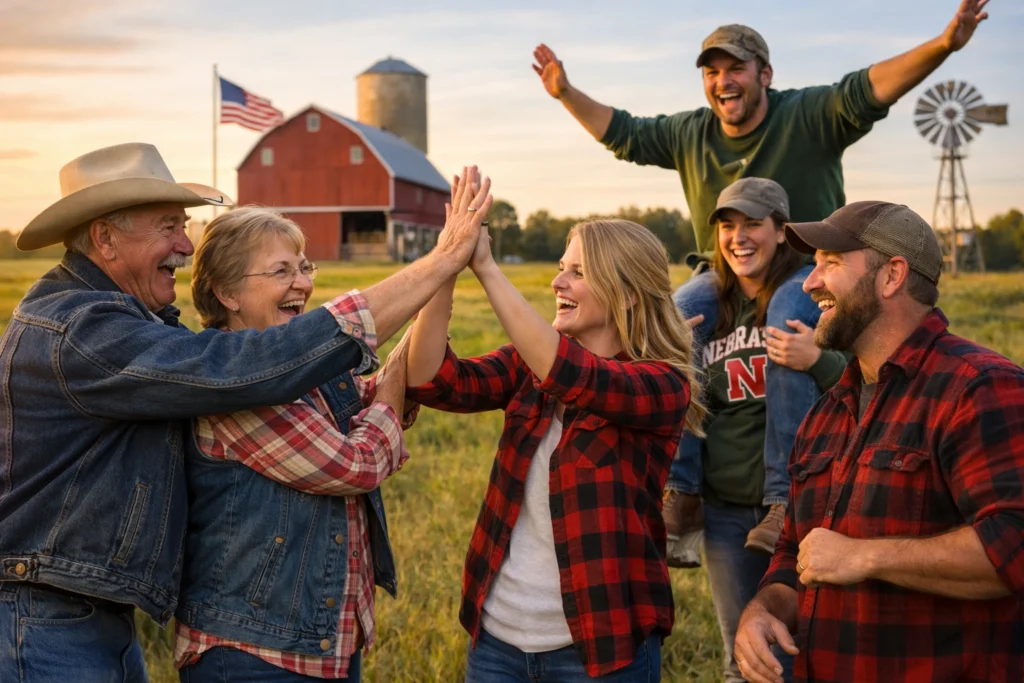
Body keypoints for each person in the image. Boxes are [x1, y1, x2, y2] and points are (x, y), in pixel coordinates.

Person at [0, 143, 486, 682]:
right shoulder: (83, 330)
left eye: (183, 226)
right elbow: (244, 371)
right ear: (105, 237)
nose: (185, 244)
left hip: (82, 608)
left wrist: (421, 320)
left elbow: (350, 392)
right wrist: (439, 261)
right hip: (45, 613)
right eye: (168, 226)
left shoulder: (130, 322)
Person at [531, 0, 990, 554]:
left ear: (764, 75)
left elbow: (870, 89)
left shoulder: (807, 115)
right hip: (720, 274)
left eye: (736, 68)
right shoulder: (691, 133)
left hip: (804, 267)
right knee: (674, 315)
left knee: (783, 317)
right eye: (711, 71)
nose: (723, 81)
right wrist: (564, 92)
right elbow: (625, 134)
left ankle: (782, 498)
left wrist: (945, 43)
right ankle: (681, 489)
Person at [405, 169, 705, 680]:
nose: (557, 282)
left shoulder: (661, 385)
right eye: (563, 267)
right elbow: (432, 379)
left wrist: (489, 268)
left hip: (600, 648)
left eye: (578, 273)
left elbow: (573, 375)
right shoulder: (529, 364)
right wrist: (446, 266)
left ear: (628, 294)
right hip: (497, 641)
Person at [733, 201, 1024, 683]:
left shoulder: (980, 388)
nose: (809, 282)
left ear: (892, 276)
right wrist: (764, 611)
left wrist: (865, 556)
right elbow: (795, 553)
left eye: (830, 263)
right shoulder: (826, 412)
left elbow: (1014, 547)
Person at [171, 207, 420, 681]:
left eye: (304, 267)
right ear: (227, 292)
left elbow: (372, 399)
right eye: (281, 271)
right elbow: (356, 464)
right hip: (253, 654)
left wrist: (410, 350)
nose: (302, 283)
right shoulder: (229, 381)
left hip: (324, 644)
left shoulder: (303, 364)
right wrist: (395, 379)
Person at [671, 179, 846, 683]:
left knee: (807, 646)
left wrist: (818, 360)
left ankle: (779, 500)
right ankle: (677, 499)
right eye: (728, 226)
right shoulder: (705, 306)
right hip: (725, 510)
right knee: (741, 654)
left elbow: (868, 381)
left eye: (752, 224)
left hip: (805, 509)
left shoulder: (810, 302)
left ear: (780, 230)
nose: (738, 237)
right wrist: (667, 349)